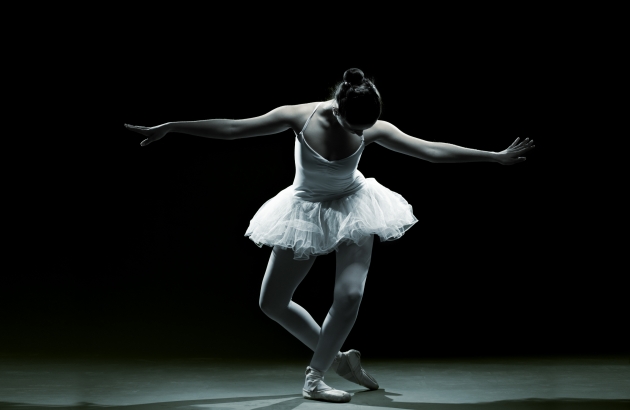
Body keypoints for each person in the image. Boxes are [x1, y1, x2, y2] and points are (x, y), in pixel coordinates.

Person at [125, 68, 534, 403]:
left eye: (367, 128)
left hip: (355, 207)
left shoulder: (372, 127)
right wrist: (172, 127)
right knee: (271, 303)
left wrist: (492, 157)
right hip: (304, 211)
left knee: (350, 295)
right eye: (357, 127)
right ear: (338, 110)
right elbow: (233, 128)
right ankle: (341, 360)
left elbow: (429, 150)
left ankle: (315, 377)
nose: (363, 133)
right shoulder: (298, 116)